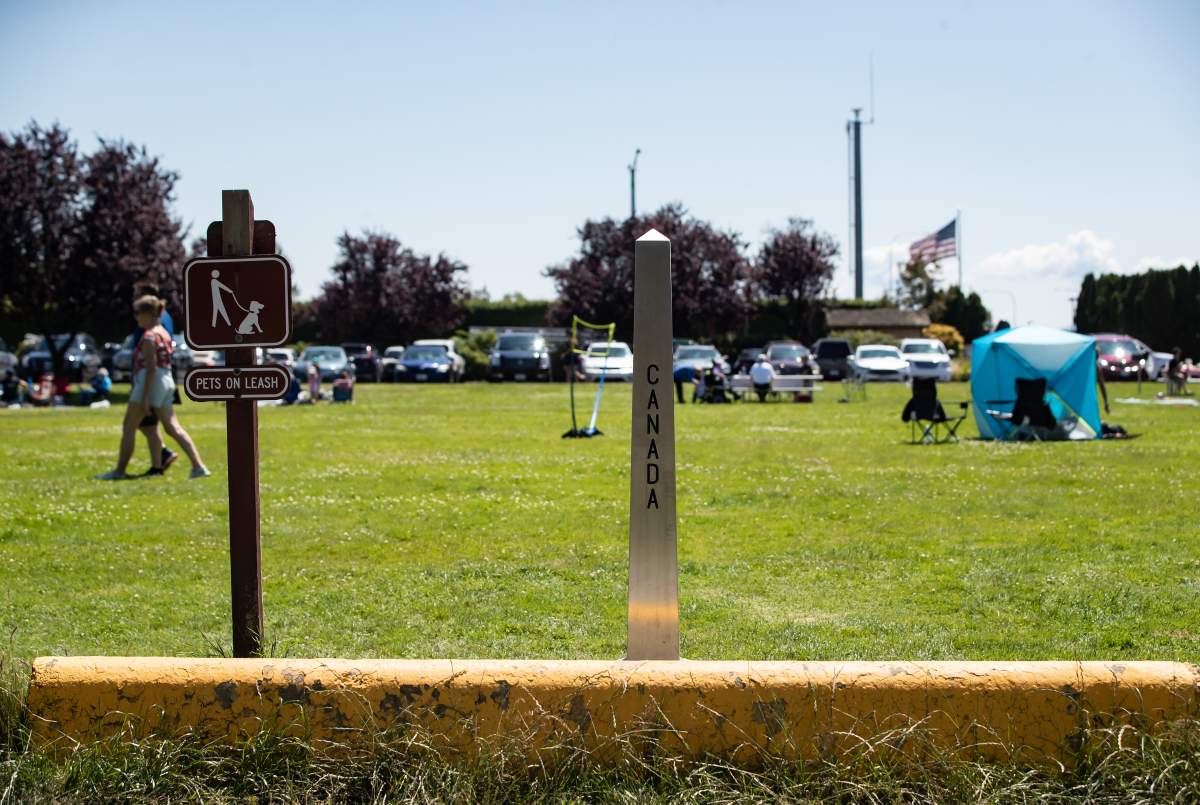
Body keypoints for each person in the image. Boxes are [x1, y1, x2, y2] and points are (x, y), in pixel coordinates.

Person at [97, 296, 209, 480]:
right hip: (167, 380)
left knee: (128, 427)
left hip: (150, 382)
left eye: (138, 314)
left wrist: (147, 397)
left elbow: (150, 368)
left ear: (149, 314)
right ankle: (198, 466)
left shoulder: (149, 336)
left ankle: (119, 472)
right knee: (173, 428)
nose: (136, 318)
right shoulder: (163, 333)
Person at [131, 280, 178, 472]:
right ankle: (161, 459)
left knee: (149, 424)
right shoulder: (160, 318)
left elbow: (152, 361)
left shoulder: (156, 323)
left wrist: (146, 394)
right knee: (152, 425)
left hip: (154, 378)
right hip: (159, 377)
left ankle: (163, 459)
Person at [1095, 343, 1110, 415]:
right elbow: (1102, 385)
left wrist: (1106, 402)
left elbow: (1102, 385)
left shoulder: (1097, 368)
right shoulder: (1096, 367)